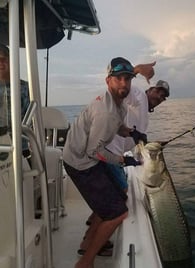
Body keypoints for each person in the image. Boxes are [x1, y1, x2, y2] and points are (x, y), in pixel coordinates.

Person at [62, 57, 154, 268]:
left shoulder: (116, 102)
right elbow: (94, 152)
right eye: (118, 78)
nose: (124, 83)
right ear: (108, 81)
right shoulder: (105, 112)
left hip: (81, 155)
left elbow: (118, 124)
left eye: (128, 79)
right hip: (81, 163)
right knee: (117, 213)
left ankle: (88, 242)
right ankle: (85, 262)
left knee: (119, 195)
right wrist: (123, 159)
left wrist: (132, 132)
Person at [105, 79, 170, 191]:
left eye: (163, 96)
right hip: (108, 150)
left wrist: (154, 145)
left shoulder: (145, 118)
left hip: (117, 154)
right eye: (158, 91)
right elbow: (120, 88)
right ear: (150, 89)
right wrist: (137, 70)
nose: (160, 97)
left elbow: (140, 141)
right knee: (123, 192)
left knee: (124, 186)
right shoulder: (139, 96)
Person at [0, 43, 30, 158]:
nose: (1, 63)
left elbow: (31, 119)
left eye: (4, 59)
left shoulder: (25, 87)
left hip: (20, 148)